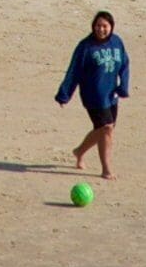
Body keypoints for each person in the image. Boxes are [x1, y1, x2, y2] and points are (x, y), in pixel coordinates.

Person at [55, 11, 131, 179]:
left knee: (105, 130)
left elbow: (125, 64)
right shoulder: (85, 47)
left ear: (111, 27)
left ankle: (79, 151)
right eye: (98, 26)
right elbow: (74, 71)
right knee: (106, 128)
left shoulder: (117, 42)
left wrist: (123, 87)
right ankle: (106, 169)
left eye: (104, 26)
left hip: (111, 94)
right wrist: (64, 94)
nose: (101, 29)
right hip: (94, 95)